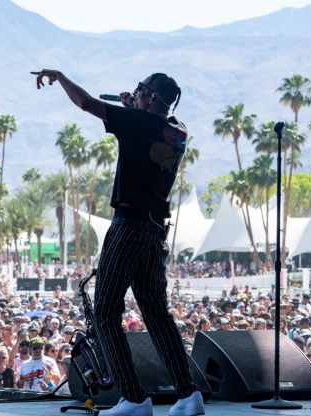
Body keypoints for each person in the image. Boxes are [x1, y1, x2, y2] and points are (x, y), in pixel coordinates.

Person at [32, 69, 203, 416]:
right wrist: (135, 109)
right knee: (155, 312)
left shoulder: (137, 122)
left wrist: (61, 76)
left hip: (128, 225)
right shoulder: (178, 132)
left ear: (153, 97)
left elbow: (86, 103)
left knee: (107, 312)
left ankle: (134, 398)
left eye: (141, 89)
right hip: (155, 229)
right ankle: (188, 395)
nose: (135, 91)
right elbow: (158, 131)